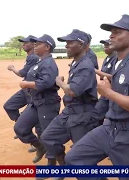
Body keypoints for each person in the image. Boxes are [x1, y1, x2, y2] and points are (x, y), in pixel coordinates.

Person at [65, 14, 129, 180]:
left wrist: (108, 92)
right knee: (75, 159)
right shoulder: (119, 62)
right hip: (110, 128)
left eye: (117, 32)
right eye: (111, 32)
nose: (111, 35)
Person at [39, 29, 99, 174]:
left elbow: (73, 91)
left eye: (69, 43)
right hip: (69, 111)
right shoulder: (76, 63)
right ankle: (64, 167)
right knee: (47, 137)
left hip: (82, 115)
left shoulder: (85, 65)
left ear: (81, 44)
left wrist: (59, 82)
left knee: (82, 157)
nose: (66, 46)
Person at [13, 34, 61, 166]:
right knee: (20, 128)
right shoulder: (40, 61)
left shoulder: (49, 63)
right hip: (36, 102)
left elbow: (46, 82)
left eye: (38, 44)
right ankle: (40, 147)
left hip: (47, 103)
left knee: (48, 135)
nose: (35, 46)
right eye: (34, 43)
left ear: (47, 47)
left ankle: (52, 164)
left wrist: (26, 84)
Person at [3, 35, 41, 153]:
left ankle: (38, 143)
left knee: (37, 115)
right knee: (9, 106)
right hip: (26, 89)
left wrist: (13, 68)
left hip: (32, 89)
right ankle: (23, 125)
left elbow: (22, 73)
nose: (23, 44)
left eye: (25, 42)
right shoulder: (30, 57)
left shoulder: (33, 57)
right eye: (22, 42)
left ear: (33, 44)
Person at [94, 39, 118, 125]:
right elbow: (102, 75)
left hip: (112, 93)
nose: (105, 47)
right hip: (105, 93)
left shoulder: (116, 58)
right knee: (97, 115)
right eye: (104, 45)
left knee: (99, 114)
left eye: (107, 45)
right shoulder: (107, 58)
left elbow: (113, 77)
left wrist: (94, 70)